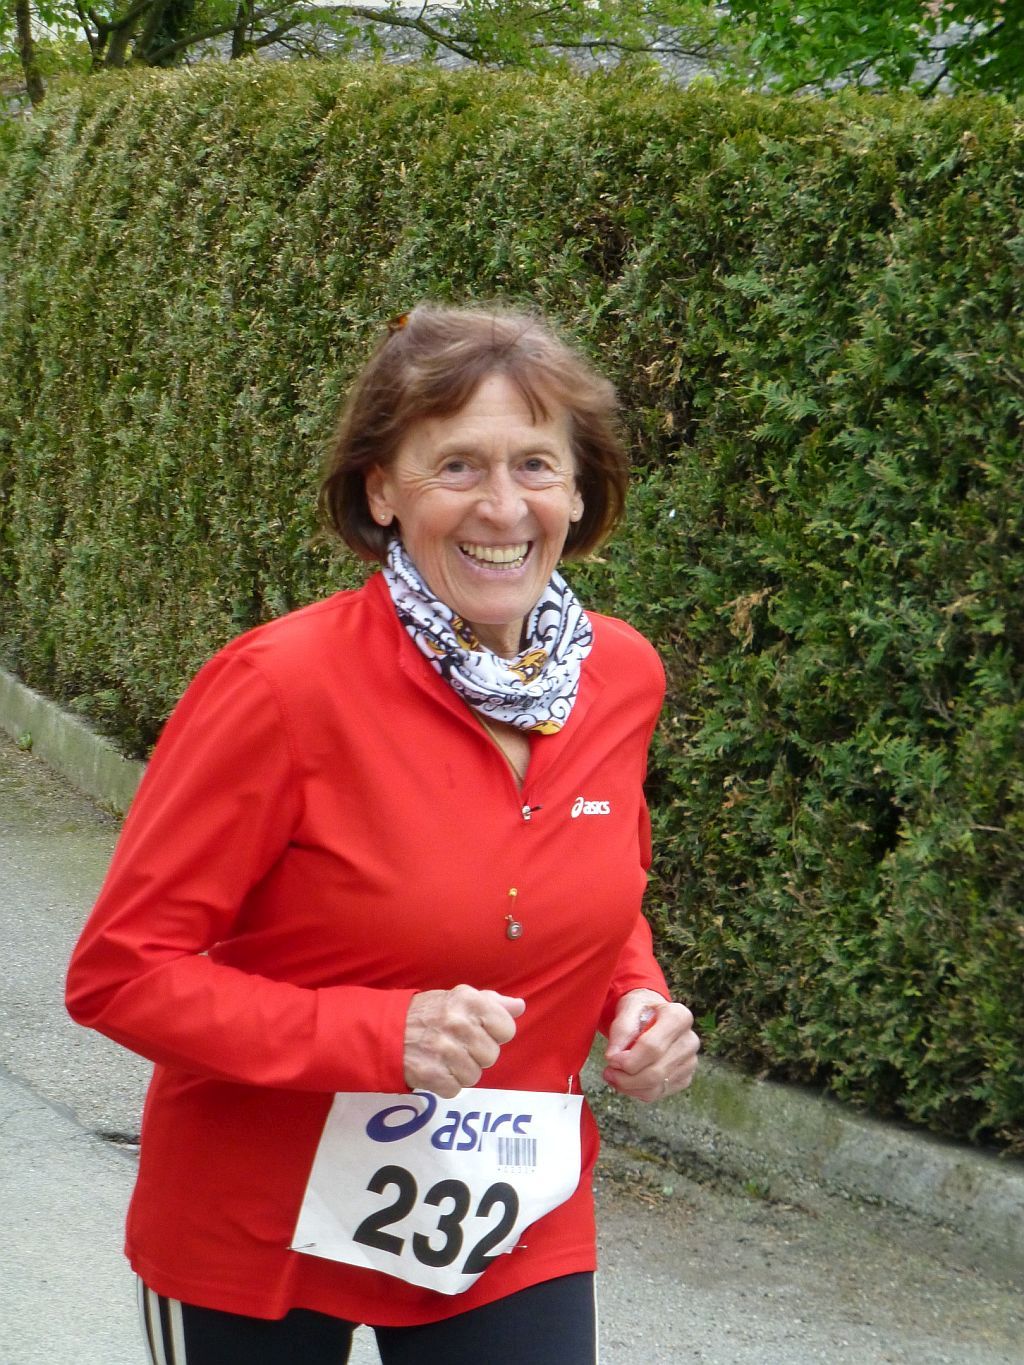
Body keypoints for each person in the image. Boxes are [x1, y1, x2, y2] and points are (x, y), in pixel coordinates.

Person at [65, 302, 701, 1365]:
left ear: (580, 490)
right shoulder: (280, 689)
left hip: (507, 1222)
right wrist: (379, 1036)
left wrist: (633, 999)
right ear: (380, 491)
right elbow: (121, 975)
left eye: (536, 465)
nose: (503, 506)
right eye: (457, 466)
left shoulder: (620, 675)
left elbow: (591, 887)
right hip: (257, 1230)